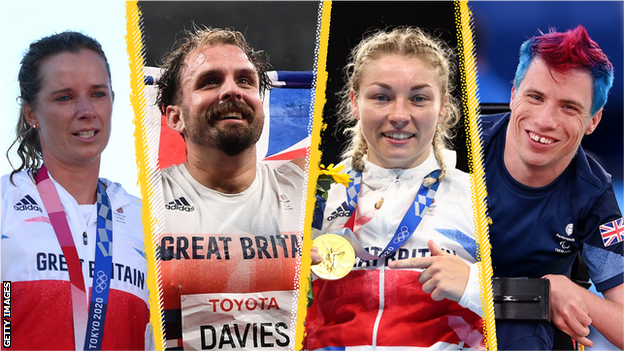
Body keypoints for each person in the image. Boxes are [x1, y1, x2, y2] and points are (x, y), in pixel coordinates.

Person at [305, 27, 485, 351]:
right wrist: (284, 273)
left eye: (418, 98)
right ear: (354, 102)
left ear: (443, 107)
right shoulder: (313, 197)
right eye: (381, 97)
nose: (399, 115)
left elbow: (531, 304)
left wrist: (475, 284)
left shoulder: (479, 199)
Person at [155, 27, 306, 351]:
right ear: (175, 117)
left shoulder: (311, 191)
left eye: (245, 80)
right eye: (210, 81)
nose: (232, 91)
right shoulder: (141, 203)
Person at [0, 32, 151, 350]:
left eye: (97, 94)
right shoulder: (4, 204)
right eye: (65, 97)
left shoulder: (148, 221)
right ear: (31, 113)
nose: (86, 110)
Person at [481, 25, 624, 350]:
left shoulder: (593, 197)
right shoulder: (457, 149)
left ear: (594, 120)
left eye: (569, 107)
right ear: (513, 94)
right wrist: (538, 294)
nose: (546, 120)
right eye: (535, 97)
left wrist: (574, 293)